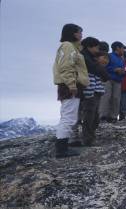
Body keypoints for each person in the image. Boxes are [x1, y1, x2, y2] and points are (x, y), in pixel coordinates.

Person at [53, 23, 89, 158]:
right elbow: (66, 67)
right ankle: (61, 150)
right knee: (68, 117)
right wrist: (72, 85)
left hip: (70, 85)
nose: (81, 35)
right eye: (80, 32)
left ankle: (62, 147)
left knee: (68, 116)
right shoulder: (68, 46)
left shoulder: (72, 47)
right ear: (74, 33)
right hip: (70, 86)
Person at [79, 37, 109, 146]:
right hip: (89, 90)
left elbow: (101, 68)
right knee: (89, 114)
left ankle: (90, 136)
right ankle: (87, 139)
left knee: (94, 115)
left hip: (96, 89)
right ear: (90, 47)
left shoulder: (91, 57)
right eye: (96, 47)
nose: (97, 49)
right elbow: (96, 69)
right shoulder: (85, 57)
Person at [99, 41, 126, 123]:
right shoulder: (109, 56)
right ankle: (103, 116)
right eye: (123, 48)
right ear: (117, 48)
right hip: (108, 80)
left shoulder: (122, 59)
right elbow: (103, 67)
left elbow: (125, 71)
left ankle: (113, 117)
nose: (124, 50)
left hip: (118, 81)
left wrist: (123, 72)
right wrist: (114, 70)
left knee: (116, 98)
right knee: (106, 97)